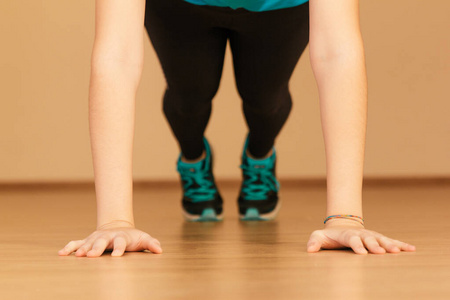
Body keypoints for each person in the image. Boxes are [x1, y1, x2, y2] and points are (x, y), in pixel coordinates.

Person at [58, 0, 416, 257]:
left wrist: (346, 217)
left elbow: (338, 52)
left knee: (265, 100)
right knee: (189, 99)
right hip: (180, 7)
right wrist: (113, 220)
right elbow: (116, 56)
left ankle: (259, 157)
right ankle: (194, 159)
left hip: (279, 9)